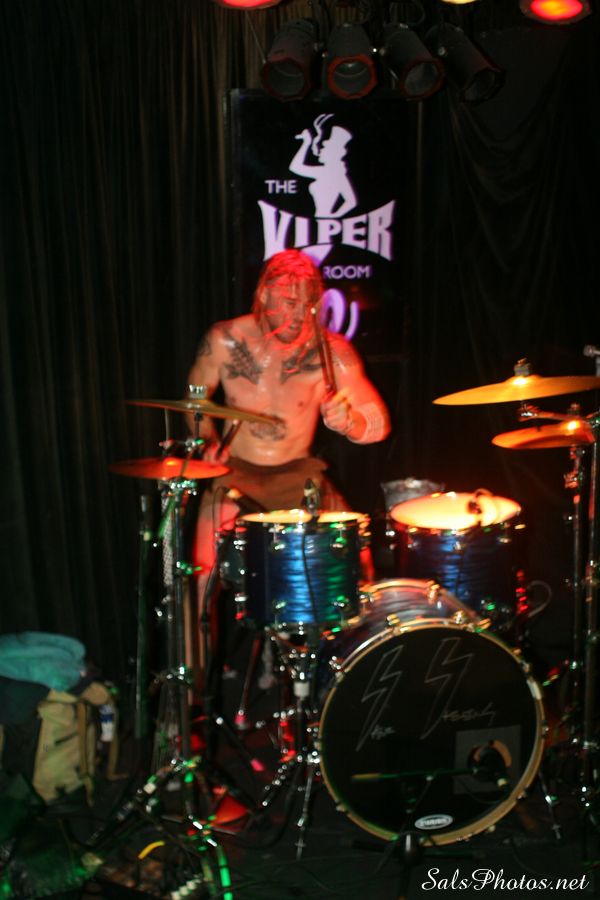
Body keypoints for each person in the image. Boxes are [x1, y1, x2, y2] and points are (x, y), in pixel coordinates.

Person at [185, 249, 390, 653]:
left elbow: (378, 423)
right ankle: (192, 687)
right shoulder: (225, 339)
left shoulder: (331, 350)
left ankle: (344, 671)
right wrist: (205, 439)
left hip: (297, 472)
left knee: (358, 564)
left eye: (309, 304)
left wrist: (349, 422)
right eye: (289, 302)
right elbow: (195, 399)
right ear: (263, 294)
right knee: (200, 576)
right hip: (235, 472)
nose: (299, 315)